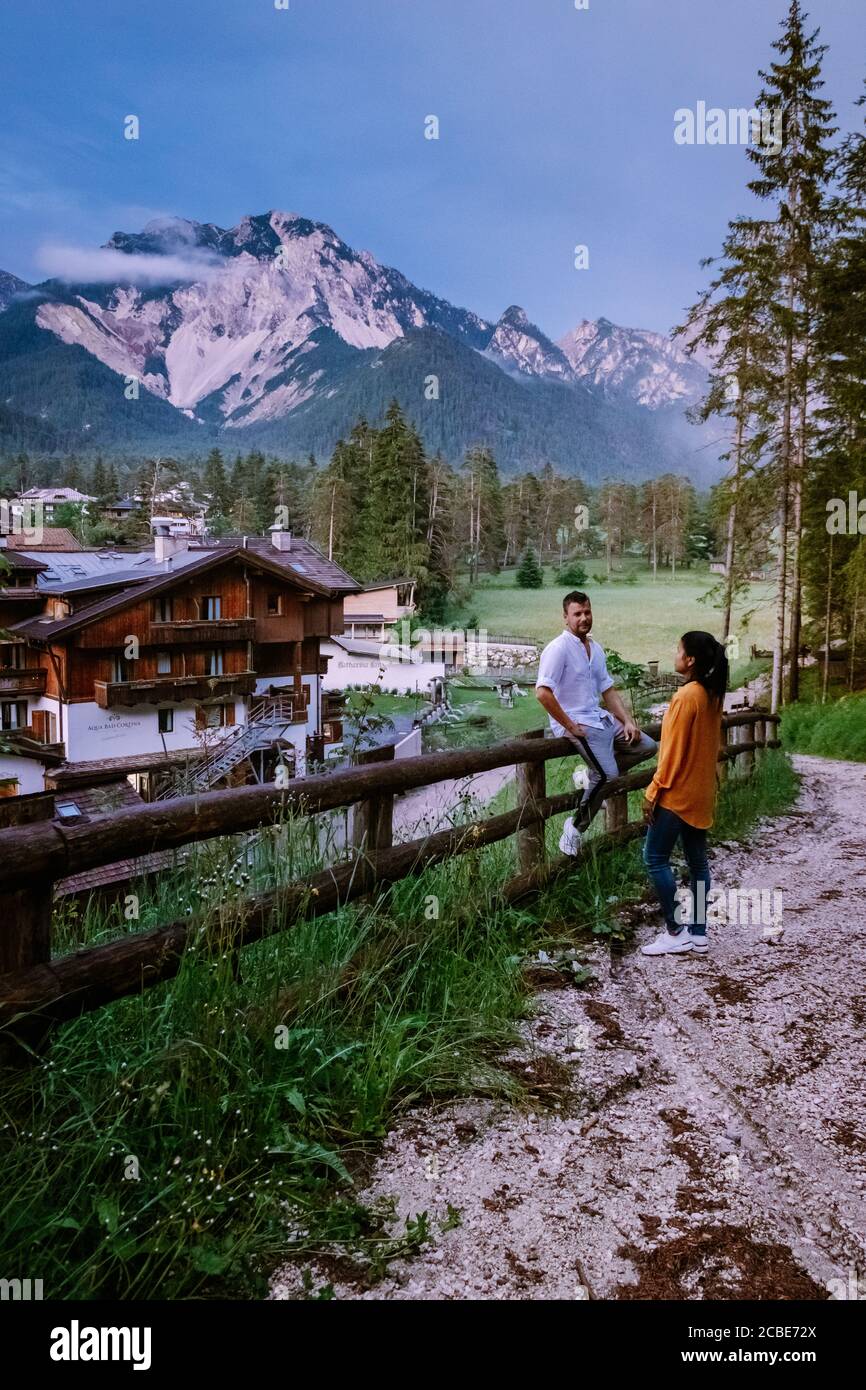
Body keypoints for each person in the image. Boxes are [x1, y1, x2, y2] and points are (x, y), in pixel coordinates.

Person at [535, 590, 657, 854]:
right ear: (565, 617)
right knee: (608, 775)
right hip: (579, 723)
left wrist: (627, 721)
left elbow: (608, 691)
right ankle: (574, 828)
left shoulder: (596, 649)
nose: (584, 618)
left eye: (587, 612)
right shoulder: (558, 649)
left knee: (647, 746)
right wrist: (568, 725)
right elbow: (542, 692)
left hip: (600, 718)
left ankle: (591, 775)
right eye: (577, 614)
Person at [640, 630, 729, 957]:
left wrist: (653, 791)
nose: (674, 654)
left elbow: (672, 754)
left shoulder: (685, 697)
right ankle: (699, 933)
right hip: (701, 793)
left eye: (678, 650)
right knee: (698, 863)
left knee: (654, 858)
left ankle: (676, 930)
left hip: (677, 795)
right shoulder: (711, 695)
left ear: (690, 660)